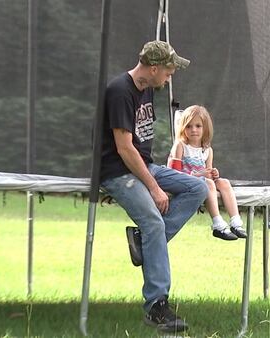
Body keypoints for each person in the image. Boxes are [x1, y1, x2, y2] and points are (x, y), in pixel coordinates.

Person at [100, 40, 207, 333]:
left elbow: (140, 150)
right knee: (154, 225)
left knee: (198, 189)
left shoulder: (147, 87)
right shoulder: (120, 91)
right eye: (169, 71)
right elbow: (124, 149)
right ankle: (156, 307)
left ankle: (141, 240)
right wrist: (155, 189)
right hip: (118, 172)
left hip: (144, 166)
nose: (170, 77)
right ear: (154, 68)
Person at [168, 105, 247, 241]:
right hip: (185, 183)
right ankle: (217, 224)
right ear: (182, 128)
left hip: (204, 181)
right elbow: (173, 174)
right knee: (209, 183)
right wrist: (201, 176)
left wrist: (213, 173)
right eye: (189, 126)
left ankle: (236, 222)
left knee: (224, 182)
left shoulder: (207, 150)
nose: (193, 130)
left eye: (198, 126)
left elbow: (208, 171)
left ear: (205, 128)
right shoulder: (180, 146)